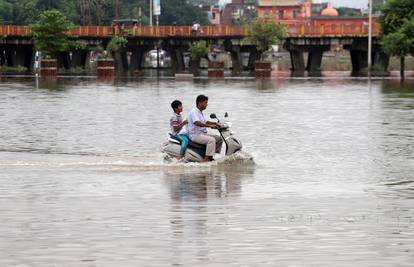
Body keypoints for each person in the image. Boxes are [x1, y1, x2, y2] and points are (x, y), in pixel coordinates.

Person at [188, 95, 223, 162]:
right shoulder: (194, 112)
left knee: (219, 139)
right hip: (195, 135)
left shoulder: (200, 112)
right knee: (211, 140)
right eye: (205, 103)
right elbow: (197, 123)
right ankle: (206, 160)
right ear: (199, 102)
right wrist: (210, 126)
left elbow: (206, 121)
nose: (207, 104)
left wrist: (216, 123)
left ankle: (211, 156)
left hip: (202, 134)